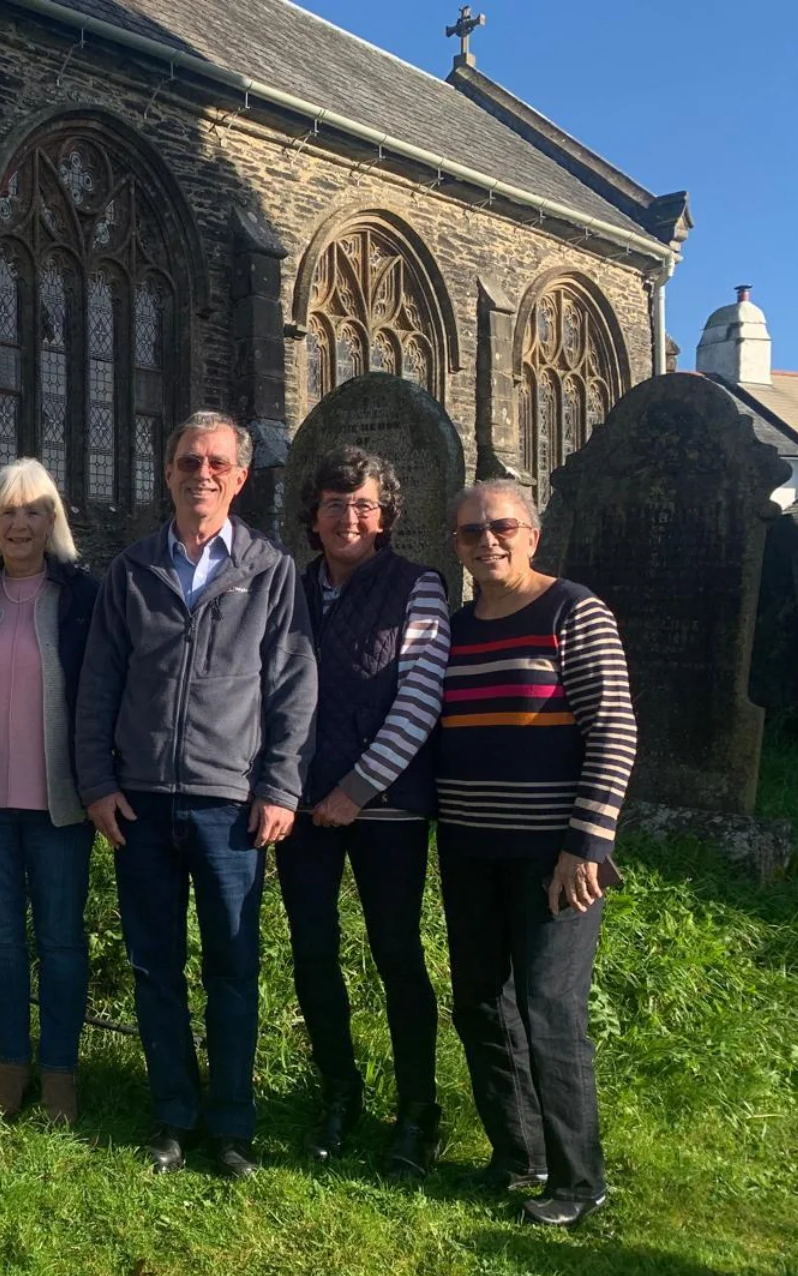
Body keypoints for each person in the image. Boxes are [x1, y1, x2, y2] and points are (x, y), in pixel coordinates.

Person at [74, 410, 317, 1180]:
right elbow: (98, 684)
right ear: (169, 472)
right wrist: (97, 782)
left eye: (216, 462)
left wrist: (280, 785)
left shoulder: (270, 572)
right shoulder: (133, 569)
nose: (201, 473)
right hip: (140, 803)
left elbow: (292, 686)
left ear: (240, 478)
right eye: (188, 460)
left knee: (233, 969)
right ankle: (172, 1116)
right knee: (155, 967)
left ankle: (232, 1126)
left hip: (229, 804)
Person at [437, 479, 636, 1228]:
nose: (487, 541)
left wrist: (587, 843)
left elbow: (613, 729)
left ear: (533, 533)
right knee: (481, 1003)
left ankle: (581, 1181)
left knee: (549, 1008)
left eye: (502, 526)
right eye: (469, 532)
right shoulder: (456, 630)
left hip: (555, 858)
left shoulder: (572, 611)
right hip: (467, 849)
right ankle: (519, 1153)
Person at [275, 447, 450, 1176]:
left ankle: (417, 1110)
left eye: (364, 506)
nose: (348, 517)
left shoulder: (418, 587)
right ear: (312, 516)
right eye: (334, 504)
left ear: (385, 518)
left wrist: (359, 788)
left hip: (387, 808)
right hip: (302, 804)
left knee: (396, 954)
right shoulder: (288, 587)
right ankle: (338, 1090)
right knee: (313, 953)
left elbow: (419, 699)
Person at [0, 459, 100, 1124]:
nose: (19, 523)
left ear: (52, 520)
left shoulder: (82, 596)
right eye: (7, 512)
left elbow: (100, 693)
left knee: (60, 941)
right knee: (0, 941)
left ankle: (59, 1071)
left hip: (61, 804)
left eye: (33, 510)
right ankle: (10, 1064)